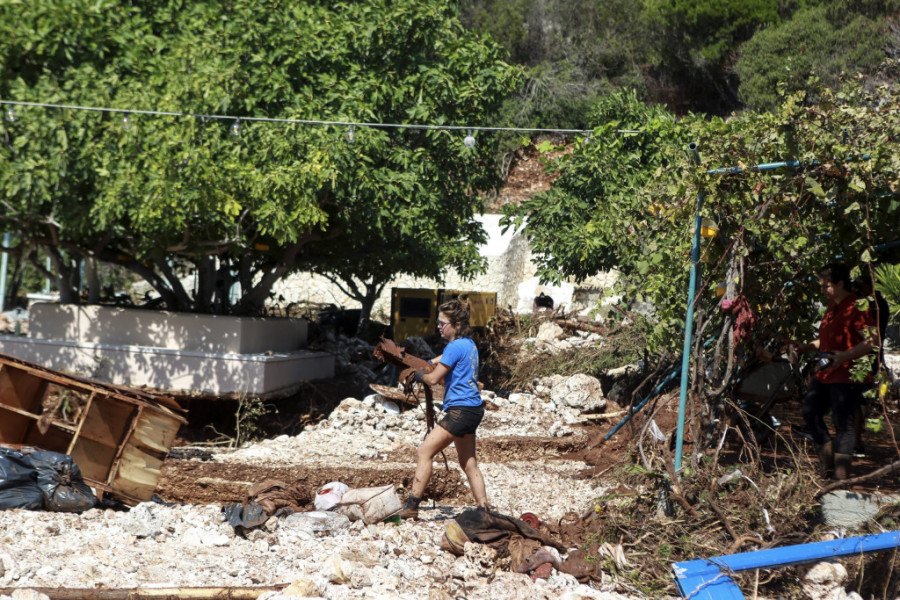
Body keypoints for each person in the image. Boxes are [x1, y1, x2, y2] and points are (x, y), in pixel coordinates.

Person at [397, 298, 488, 520]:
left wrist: (419, 374)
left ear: (457, 324)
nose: (438, 327)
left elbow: (434, 379)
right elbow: (440, 360)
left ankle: (412, 505)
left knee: (424, 452)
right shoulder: (468, 344)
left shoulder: (454, 347)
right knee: (468, 463)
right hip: (473, 410)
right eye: (438, 322)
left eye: (442, 323)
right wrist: (427, 362)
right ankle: (485, 509)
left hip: (460, 411)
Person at [792, 263, 876, 480]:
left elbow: (872, 341)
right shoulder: (832, 306)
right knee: (810, 411)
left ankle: (840, 477)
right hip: (826, 372)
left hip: (848, 373)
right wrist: (805, 347)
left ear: (840, 283)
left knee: (843, 422)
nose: (822, 290)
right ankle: (828, 464)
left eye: (826, 285)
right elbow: (827, 339)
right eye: (821, 285)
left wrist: (845, 356)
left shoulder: (856, 306)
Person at [850, 275, 890, 456]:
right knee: (861, 398)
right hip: (871, 354)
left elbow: (869, 334)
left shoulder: (872, 305)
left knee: (858, 398)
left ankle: (857, 440)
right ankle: (857, 437)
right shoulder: (878, 303)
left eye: (860, 286)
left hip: (867, 355)